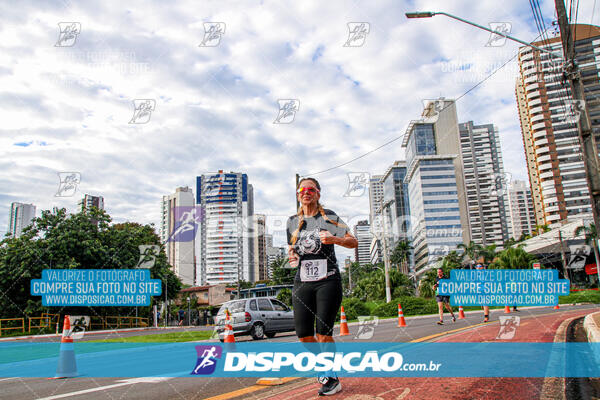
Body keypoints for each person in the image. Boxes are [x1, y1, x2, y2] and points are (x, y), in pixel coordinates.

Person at [287, 177, 358, 396]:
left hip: (328, 279)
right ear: (298, 195)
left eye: (311, 189)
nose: (306, 192)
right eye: (302, 189)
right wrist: (292, 254)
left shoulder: (330, 217)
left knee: (323, 333)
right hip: (303, 281)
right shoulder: (292, 221)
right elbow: (293, 250)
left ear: (318, 193)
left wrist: (335, 240)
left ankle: (331, 378)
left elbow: (353, 241)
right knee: (304, 335)